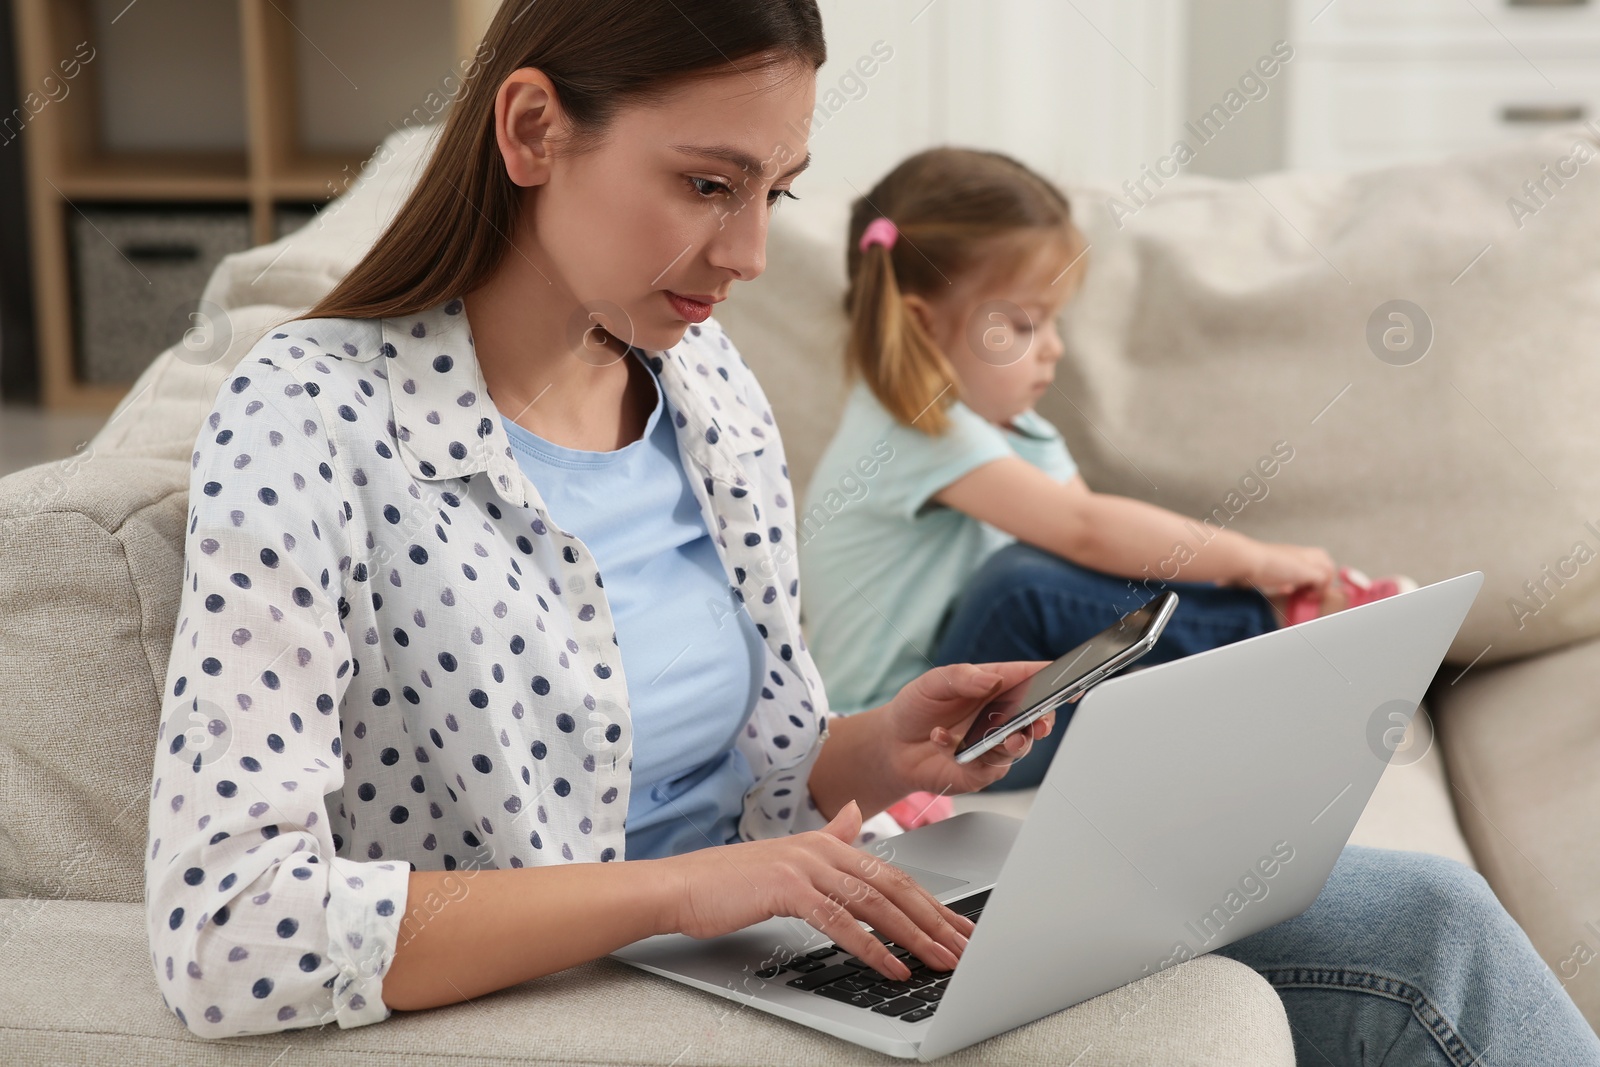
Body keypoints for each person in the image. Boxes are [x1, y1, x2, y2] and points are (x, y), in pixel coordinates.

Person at [141, 2, 1600, 1063]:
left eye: (773, 193)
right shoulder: (312, 417)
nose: (748, 253)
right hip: (606, 984)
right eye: (706, 184)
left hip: (783, 923)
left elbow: (755, 774)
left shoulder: (700, 385)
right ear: (532, 128)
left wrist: (874, 747)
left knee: (1428, 919)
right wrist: (701, 884)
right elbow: (228, 929)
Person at [799, 146, 1415, 795]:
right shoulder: (914, 433)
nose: (1056, 347)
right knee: (1019, 586)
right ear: (924, 328)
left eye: (1054, 321)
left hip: (977, 714)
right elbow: (1086, 529)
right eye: (1024, 323)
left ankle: (1275, 671)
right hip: (911, 737)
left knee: (1096, 621)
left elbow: (1099, 568)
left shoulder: (1000, 429)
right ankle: (1282, 630)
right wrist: (1252, 560)